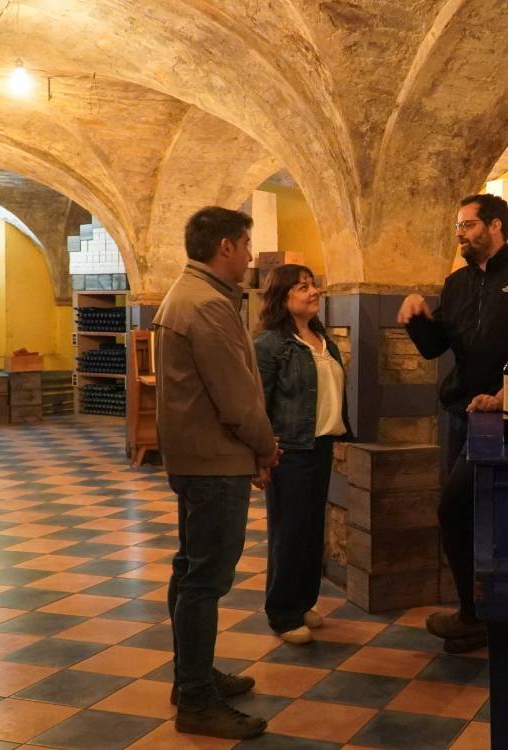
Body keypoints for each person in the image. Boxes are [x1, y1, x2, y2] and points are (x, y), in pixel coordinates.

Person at [396, 193, 508, 652]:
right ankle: (478, 615)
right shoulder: (457, 283)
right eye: (458, 228)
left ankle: (486, 613)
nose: (460, 234)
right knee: (463, 517)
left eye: (467, 225)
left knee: (466, 511)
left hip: (506, 420)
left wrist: (507, 395)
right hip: (460, 414)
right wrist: (416, 318)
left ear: (495, 226)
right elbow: (434, 348)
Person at [153, 206, 281, 740]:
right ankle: (198, 701)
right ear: (225, 246)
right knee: (205, 580)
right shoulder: (207, 304)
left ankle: (193, 680)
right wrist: (266, 447)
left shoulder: (189, 295)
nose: (251, 256)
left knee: (190, 571)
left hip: (196, 457)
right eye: (247, 244)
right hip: (214, 460)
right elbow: (237, 396)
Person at [254, 264, 353, 645]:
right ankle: (281, 612)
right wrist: (262, 454)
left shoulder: (320, 336)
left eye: (313, 285)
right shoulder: (270, 344)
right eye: (302, 287)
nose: (313, 292)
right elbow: (258, 402)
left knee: (313, 531)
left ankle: (303, 601)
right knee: (289, 533)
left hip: (321, 446)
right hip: (289, 450)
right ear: (282, 297)